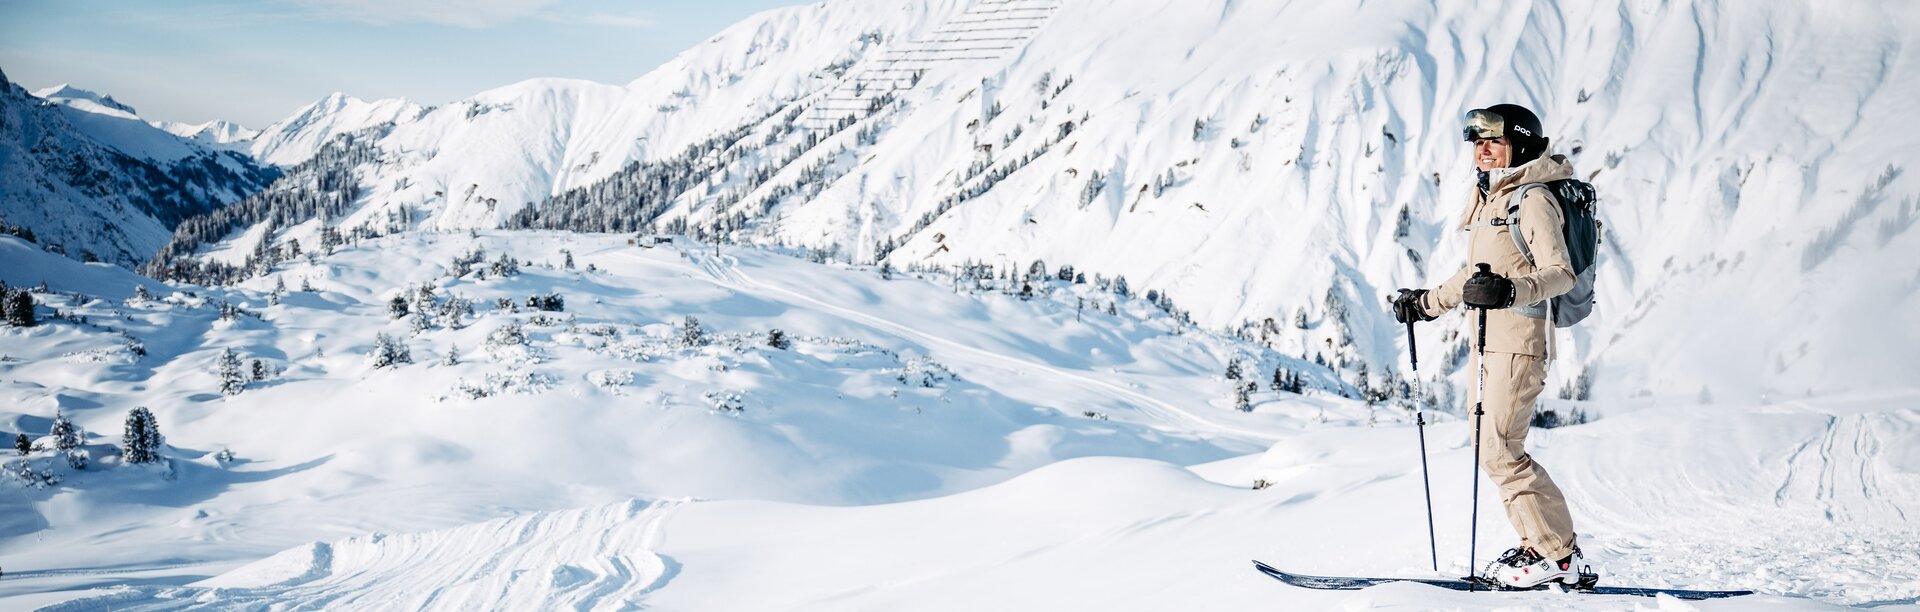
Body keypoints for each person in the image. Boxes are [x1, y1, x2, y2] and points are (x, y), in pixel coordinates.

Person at [1390, 103, 1587, 588]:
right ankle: (1540, 546)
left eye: (1493, 141)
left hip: (1520, 342)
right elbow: (1475, 275)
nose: (1482, 149)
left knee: (1500, 448)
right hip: (1487, 343)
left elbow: (1559, 274)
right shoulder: (1490, 199)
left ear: (1518, 144)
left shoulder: (1533, 199)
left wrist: (1511, 291)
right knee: (1491, 447)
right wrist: (1427, 303)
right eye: (1477, 141)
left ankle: (1557, 554)